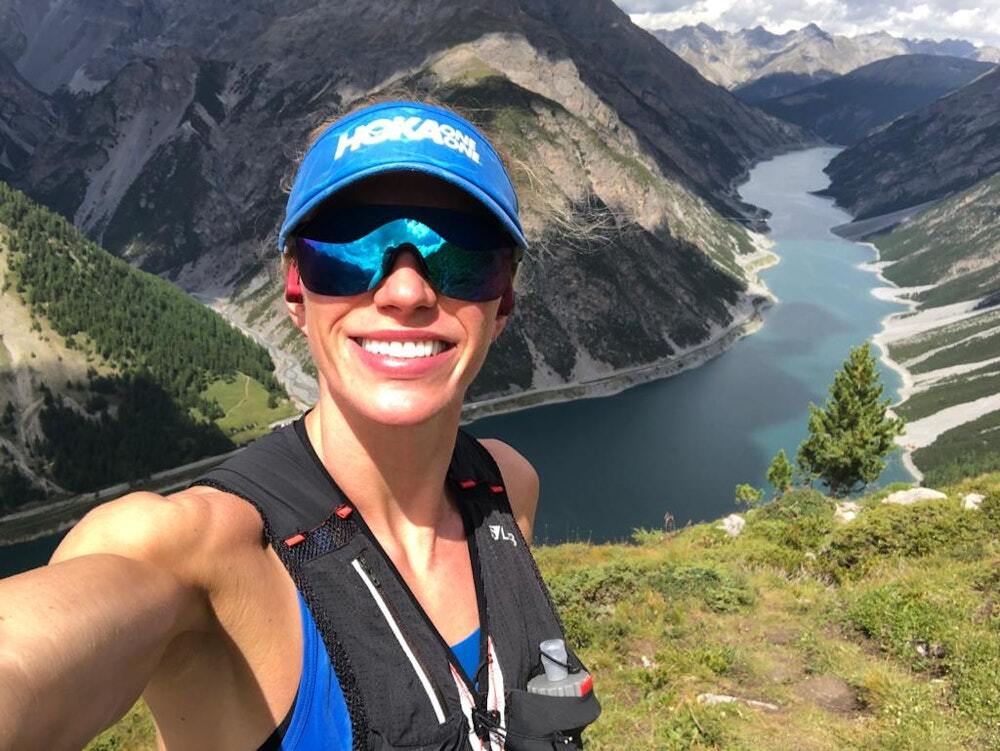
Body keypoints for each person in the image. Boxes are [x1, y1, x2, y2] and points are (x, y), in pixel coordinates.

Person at [0, 100, 598, 750]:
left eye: (461, 253)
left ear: (502, 301)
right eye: (349, 245)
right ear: (295, 290)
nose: (406, 292)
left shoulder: (506, 488)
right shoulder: (199, 555)